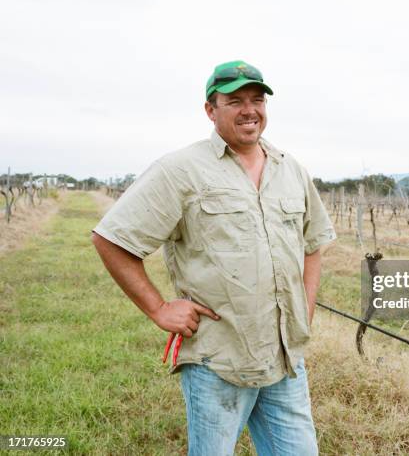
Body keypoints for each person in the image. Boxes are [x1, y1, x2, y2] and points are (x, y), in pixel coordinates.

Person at [91, 60, 336, 455]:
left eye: (257, 100)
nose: (249, 110)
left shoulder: (291, 170)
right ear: (211, 109)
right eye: (234, 100)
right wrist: (158, 308)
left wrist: (303, 310)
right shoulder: (181, 170)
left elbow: (314, 245)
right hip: (218, 359)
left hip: (285, 359)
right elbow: (112, 239)